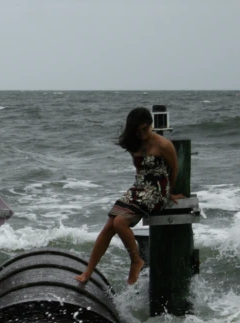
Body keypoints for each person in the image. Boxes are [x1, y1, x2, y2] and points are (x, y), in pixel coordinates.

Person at [75, 107, 184, 285]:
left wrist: (170, 193)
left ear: (150, 126)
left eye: (145, 130)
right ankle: (88, 272)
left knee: (120, 222)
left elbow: (174, 169)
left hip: (156, 191)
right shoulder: (135, 143)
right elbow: (140, 170)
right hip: (138, 189)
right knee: (109, 226)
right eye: (137, 130)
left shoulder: (163, 145)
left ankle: (136, 261)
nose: (141, 134)